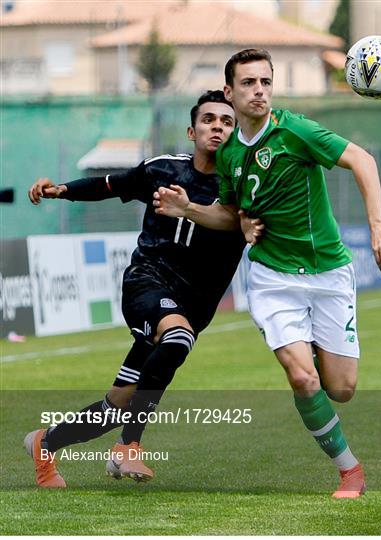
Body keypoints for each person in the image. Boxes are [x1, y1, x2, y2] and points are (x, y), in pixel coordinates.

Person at [153, 49, 381, 499]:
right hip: (272, 277)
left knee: (341, 389)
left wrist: (377, 223)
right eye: (248, 83)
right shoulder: (229, 154)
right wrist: (189, 209)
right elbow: (231, 215)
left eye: (265, 82)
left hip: (328, 272)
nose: (259, 91)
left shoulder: (296, 131)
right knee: (303, 379)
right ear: (230, 92)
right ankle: (350, 471)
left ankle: (312, 349)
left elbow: (362, 160)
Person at [25, 90, 262, 488]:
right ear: (192, 130)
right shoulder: (164, 169)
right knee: (178, 336)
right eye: (208, 120)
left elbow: (254, 225)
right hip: (147, 282)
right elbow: (110, 184)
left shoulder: (241, 189)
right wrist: (61, 189)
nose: (217, 127)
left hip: (194, 304)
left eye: (226, 122)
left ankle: (45, 443)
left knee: (117, 405)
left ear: (236, 133)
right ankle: (128, 448)